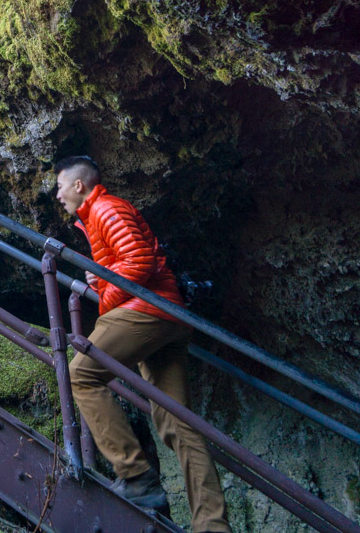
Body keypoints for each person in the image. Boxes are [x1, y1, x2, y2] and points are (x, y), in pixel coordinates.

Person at [54, 156, 230, 533]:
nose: (58, 195)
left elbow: (140, 260)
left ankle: (136, 477)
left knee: (82, 374)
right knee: (176, 422)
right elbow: (131, 260)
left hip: (147, 309)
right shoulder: (99, 214)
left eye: (60, 187)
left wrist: (106, 294)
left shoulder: (104, 206)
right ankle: (212, 526)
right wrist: (102, 279)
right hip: (168, 315)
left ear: (79, 186)